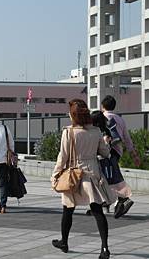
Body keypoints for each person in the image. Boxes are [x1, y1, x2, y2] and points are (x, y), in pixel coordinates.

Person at [51, 99, 115, 259]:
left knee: (68, 209)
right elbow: (105, 153)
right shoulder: (96, 131)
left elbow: (62, 157)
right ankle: (105, 248)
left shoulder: (69, 132)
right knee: (97, 211)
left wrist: (55, 175)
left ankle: (64, 242)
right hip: (92, 173)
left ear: (73, 115)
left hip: (73, 174)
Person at [101, 95, 140, 218]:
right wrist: (134, 154)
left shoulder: (101, 118)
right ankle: (108, 203)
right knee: (110, 176)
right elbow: (127, 138)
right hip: (117, 152)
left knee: (107, 177)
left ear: (103, 106)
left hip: (105, 151)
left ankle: (120, 199)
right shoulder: (120, 119)